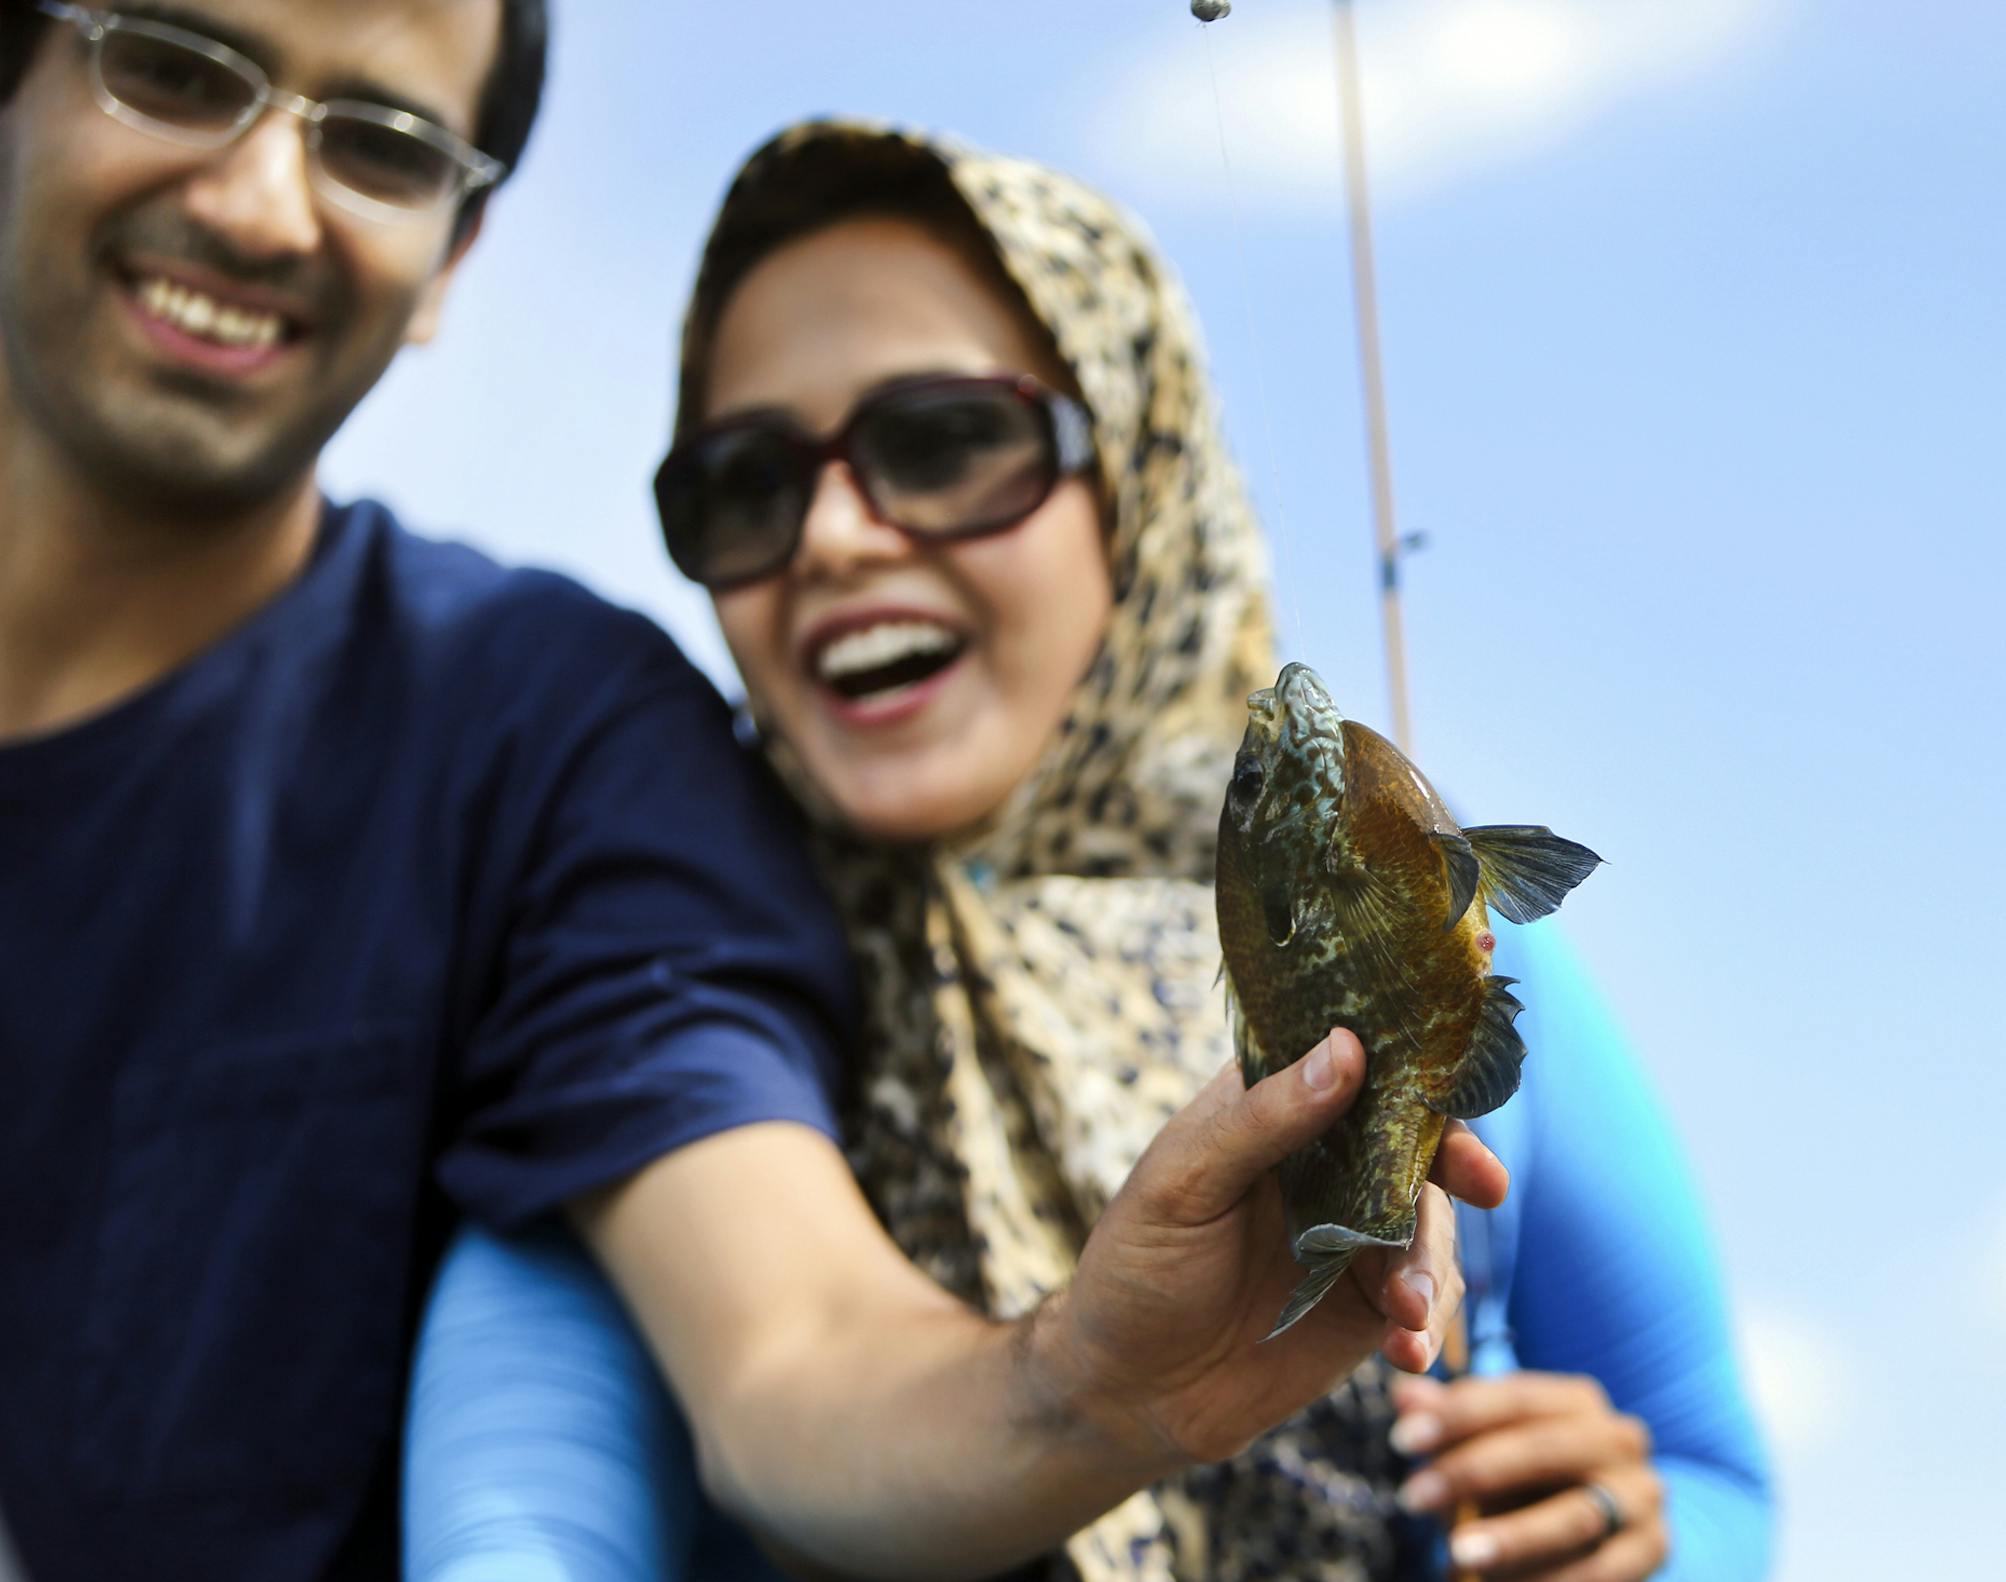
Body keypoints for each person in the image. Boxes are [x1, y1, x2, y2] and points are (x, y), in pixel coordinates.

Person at [0, 7, 1503, 1580]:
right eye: (170, 64)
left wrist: (1086, 1382)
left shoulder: (545, 742)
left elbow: (787, 1348)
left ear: (455, 249)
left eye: (380, 141)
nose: (254, 201)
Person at [404, 120, 1772, 1580]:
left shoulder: (1458, 937)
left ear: (1138, 471)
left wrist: (1637, 1533)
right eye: (746, 483)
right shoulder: (655, 1006)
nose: (836, 535)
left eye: (941, 441)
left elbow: (1710, 1470)